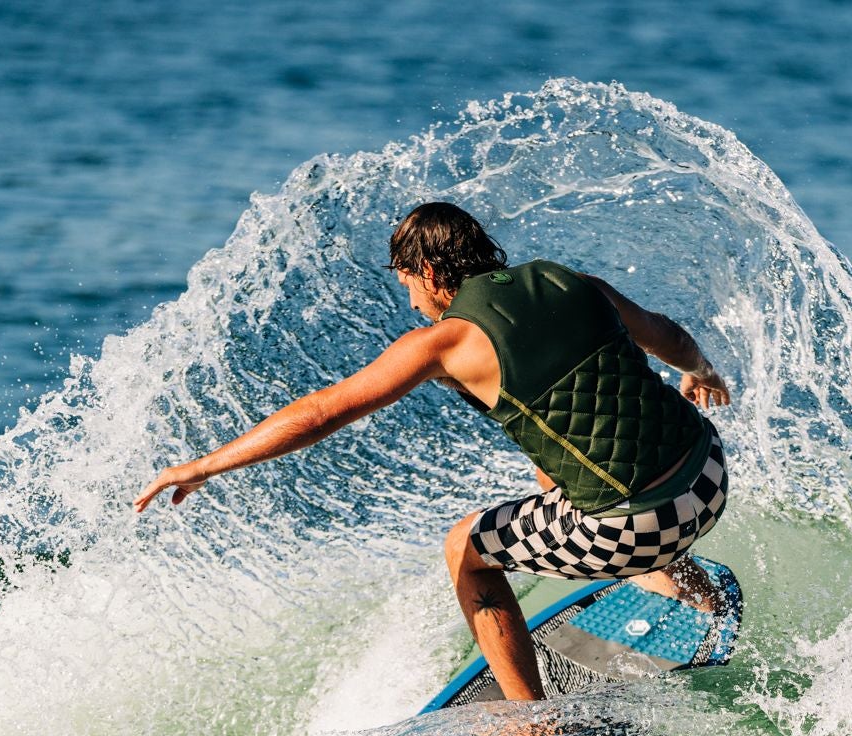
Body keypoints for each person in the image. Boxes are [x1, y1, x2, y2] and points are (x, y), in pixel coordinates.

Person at [133, 201, 732, 703]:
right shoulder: (568, 281)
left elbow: (321, 412)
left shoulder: (445, 341)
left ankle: (535, 730)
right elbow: (670, 337)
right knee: (577, 453)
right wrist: (700, 372)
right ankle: (691, 587)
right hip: (708, 477)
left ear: (426, 270)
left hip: (640, 524)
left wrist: (202, 465)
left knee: (466, 548)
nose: (411, 300)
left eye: (406, 283)